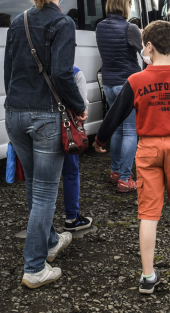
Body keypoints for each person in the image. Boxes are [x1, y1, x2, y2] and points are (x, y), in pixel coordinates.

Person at [93, 20, 170, 294]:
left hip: (149, 150)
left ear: (150, 46)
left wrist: (100, 139)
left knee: (148, 213)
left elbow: (115, 113)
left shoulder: (136, 80)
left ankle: (147, 275)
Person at [3, 0, 88, 289]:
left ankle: (51, 241)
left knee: (33, 184)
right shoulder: (63, 24)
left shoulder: (17, 22)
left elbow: (8, 72)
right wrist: (78, 108)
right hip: (45, 117)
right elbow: (62, 73)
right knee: (44, 193)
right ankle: (35, 267)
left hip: (15, 113)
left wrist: (14, 103)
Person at [95, 0, 143, 193]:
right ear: (125, 4)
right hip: (128, 84)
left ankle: (115, 172)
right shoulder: (130, 28)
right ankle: (125, 178)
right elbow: (145, 54)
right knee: (131, 131)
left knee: (116, 128)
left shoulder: (100, 27)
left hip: (108, 82)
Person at [63, 67, 94, 231]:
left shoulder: (37, 67)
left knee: (42, 181)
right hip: (65, 129)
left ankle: (41, 226)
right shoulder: (74, 72)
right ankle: (71, 218)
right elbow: (81, 106)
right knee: (70, 172)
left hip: (41, 128)